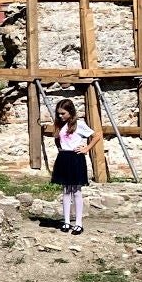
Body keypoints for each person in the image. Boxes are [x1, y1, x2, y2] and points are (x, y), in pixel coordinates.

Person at [51, 97, 98, 235]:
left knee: (76, 191)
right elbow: (57, 139)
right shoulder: (60, 125)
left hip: (76, 158)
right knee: (66, 190)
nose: (60, 116)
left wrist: (86, 148)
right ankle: (66, 222)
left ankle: (78, 223)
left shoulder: (79, 124)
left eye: (63, 113)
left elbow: (97, 136)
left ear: (70, 112)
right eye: (58, 113)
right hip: (64, 157)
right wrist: (60, 149)